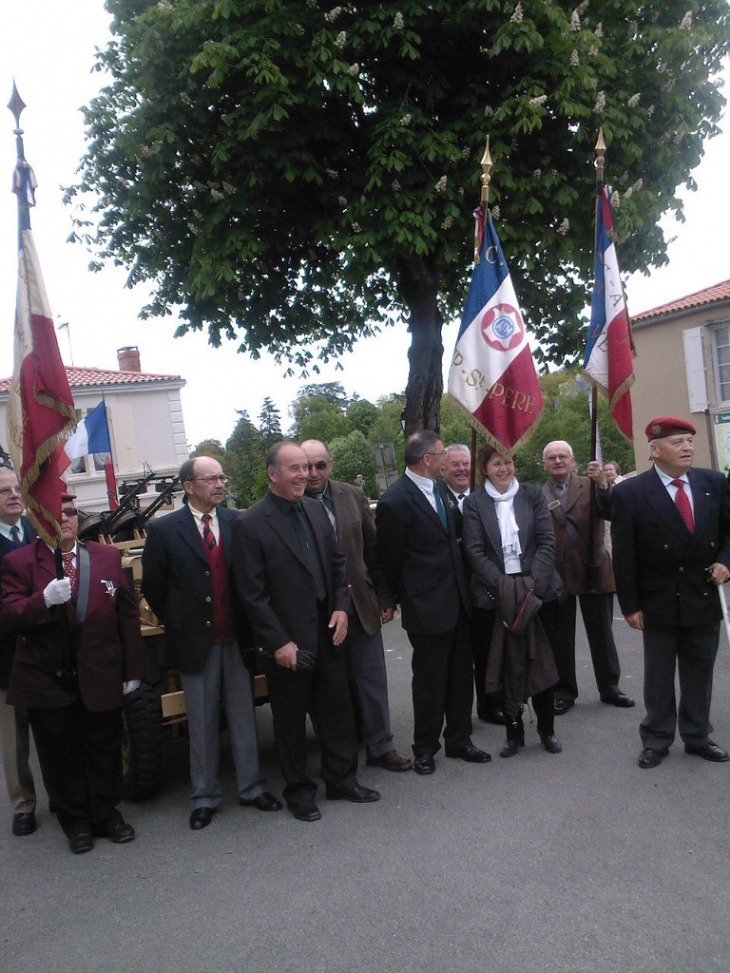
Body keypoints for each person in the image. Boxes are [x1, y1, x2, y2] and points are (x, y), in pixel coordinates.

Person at [232, 442, 380, 823]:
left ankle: (342, 781)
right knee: (291, 722)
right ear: (273, 475)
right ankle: (299, 792)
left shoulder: (316, 510)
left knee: (337, 713)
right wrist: (279, 642)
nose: (304, 475)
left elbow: (338, 568)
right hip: (287, 644)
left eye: (306, 468)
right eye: (294, 469)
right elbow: (252, 594)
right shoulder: (250, 524)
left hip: (329, 634)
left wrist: (342, 609)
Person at [1, 492, 142, 854]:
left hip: (100, 671)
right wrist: (42, 600)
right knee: (59, 754)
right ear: (39, 520)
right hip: (47, 678)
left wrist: (132, 669)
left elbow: (126, 614)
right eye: (54, 514)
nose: (63, 519)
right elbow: (8, 616)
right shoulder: (20, 562)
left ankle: (106, 814)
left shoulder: (106, 556)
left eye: (69, 513)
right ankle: (76, 822)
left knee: (103, 746)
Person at [142, 456, 278, 831]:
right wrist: (180, 622)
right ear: (189, 486)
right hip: (194, 642)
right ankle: (204, 797)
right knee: (201, 721)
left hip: (237, 638)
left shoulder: (239, 522)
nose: (220, 484)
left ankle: (252, 787)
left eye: (222, 477)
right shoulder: (164, 530)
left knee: (242, 716)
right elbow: (154, 587)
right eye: (211, 479)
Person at [611, 416, 730, 769]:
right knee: (659, 675)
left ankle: (697, 734)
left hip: (702, 593)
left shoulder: (713, 483)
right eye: (678, 442)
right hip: (658, 597)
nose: (687, 448)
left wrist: (726, 562)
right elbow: (625, 554)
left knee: (699, 670)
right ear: (655, 449)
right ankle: (657, 738)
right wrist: (630, 605)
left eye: (690, 442)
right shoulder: (630, 493)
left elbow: (728, 533)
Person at [376, 430, 490, 775]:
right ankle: (425, 748)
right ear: (427, 459)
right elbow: (388, 559)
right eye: (442, 454)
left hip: (458, 602)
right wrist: (394, 599)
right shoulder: (395, 501)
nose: (446, 460)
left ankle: (459, 739)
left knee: (460, 677)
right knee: (429, 681)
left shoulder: (441, 490)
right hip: (426, 607)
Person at [301, 439, 411, 772]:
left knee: (371, 681)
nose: (314, 473)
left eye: (321, 465)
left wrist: (385, 596)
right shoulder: (290, 502)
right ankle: (339, 755)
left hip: (361, 604)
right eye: (307, 466)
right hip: (318, 612)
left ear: (330, 465)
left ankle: (381, 746)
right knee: (329, 688)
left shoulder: (352, 495)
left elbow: (372, 550)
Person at [463, 444, 563, 756]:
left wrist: (533, 583)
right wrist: (503, 587)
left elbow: (547, 540)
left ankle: (547, 730)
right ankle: (513, 733)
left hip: (536, 589)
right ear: (485, 469)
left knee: (541, 661)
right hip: (497, 593)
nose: (503, 469)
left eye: (507, 462)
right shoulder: (474, 503)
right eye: (496, 464)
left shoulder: (533, 495)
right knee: (508, 664)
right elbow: (475, 550)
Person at [539, 440, 635, 714]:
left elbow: (612, 512)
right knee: (560, 637)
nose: (558, 461)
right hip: (558, 574)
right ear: (544, 464)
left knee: (602, 634)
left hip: (593, 567)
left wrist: (604, 485)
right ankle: (564, 690)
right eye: (551, 458)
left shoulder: (591, 484)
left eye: (562, 456)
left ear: (573, 460)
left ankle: (610, 687)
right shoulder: (538, 493)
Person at [442, 443, 504, 725]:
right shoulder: (438, 500)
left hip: (485, 588)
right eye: (454, 464)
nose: (461, 469)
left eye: (465, 463)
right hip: (453, 591)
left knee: (489, 650)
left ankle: (490, 704)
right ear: (443, 469)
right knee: (459, 657)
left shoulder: (485, 499)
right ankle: (458, 714)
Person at [0, 460, 38, 837]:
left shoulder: (37, 531)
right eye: (4, 491)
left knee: (53, 729)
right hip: (5, 655)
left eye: (17, 489)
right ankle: (23, 805)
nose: (14, 496)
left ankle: (63, 793)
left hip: (44, 651)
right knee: (15, 738)